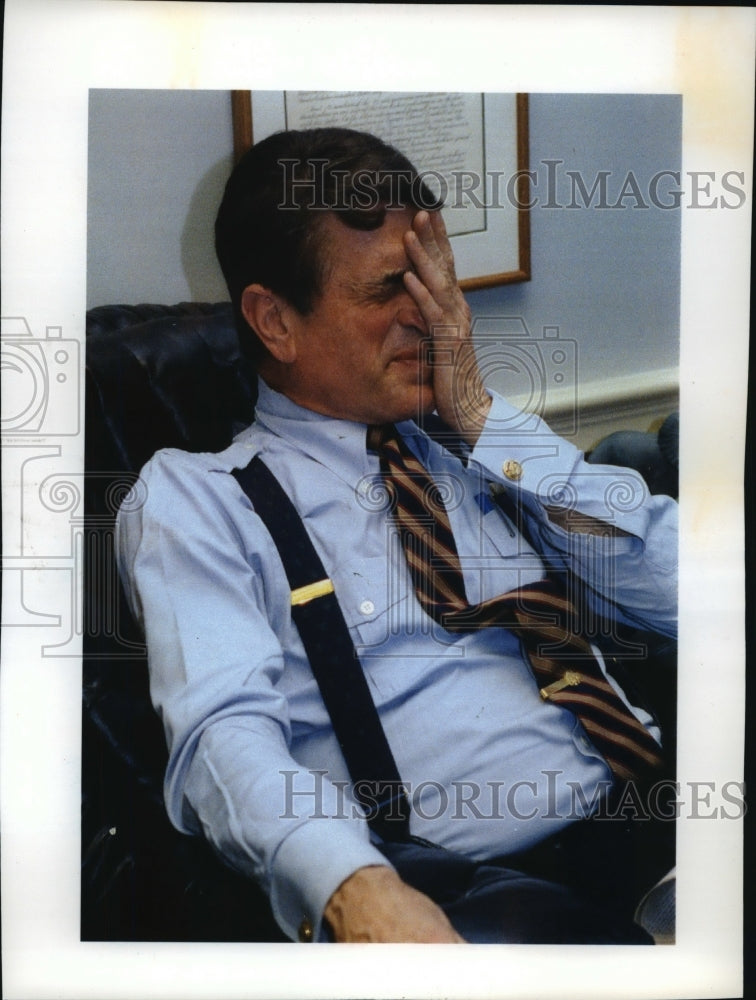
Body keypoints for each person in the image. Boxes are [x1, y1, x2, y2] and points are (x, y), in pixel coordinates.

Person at [116, 128, 678, 944]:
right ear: (274, 320)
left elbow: (692, 596)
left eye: (434, 280)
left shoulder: (480, 443)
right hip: (495, 896)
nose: (432, 316)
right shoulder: (199, 499)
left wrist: (488, 424)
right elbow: (222, 740)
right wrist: (353, 887)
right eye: (388, 290)